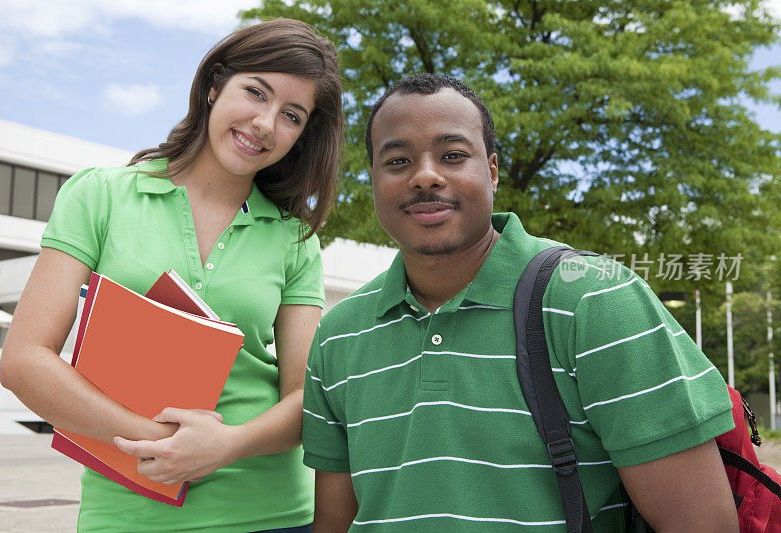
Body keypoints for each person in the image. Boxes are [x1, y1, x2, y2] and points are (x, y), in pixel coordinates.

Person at [302, 73, 739, 532]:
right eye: (397, 161)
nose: (425, 175)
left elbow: (702, 523)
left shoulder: (594, 300)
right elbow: (335, 521)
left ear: (491, 171)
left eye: (453, 155)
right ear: (373, 179)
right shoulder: (338, 335)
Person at [0, 18, 342, 533]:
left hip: (270, 513)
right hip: (126, 512)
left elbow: (304, 398)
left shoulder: (295, 240)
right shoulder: (101, 196)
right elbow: (24, 361)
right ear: (212, 85)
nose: (265, 124)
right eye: (255, 92)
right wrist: (154, 439)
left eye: (291, 115)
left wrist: (225, 445)